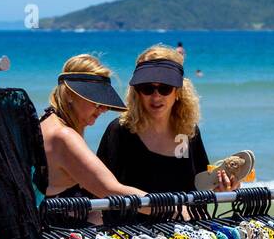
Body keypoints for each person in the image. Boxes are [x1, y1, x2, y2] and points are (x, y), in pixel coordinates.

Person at [97, 44, 238, 192]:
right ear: (137, 92)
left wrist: (223, 187)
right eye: (147, 88)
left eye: (165, 88)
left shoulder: (185, 131)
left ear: (178, 92)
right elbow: (98, 188)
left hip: (184, 215)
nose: (156, 96)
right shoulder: (121, 131)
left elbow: (200, 186)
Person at [40, 54, 148, 199]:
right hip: (55, 221)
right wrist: (173, 208)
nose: (103, 109)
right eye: (96, 102)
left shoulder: (46, 120)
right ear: (70, 95)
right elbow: (110, 190)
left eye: (105, 103)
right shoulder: (64, 136)